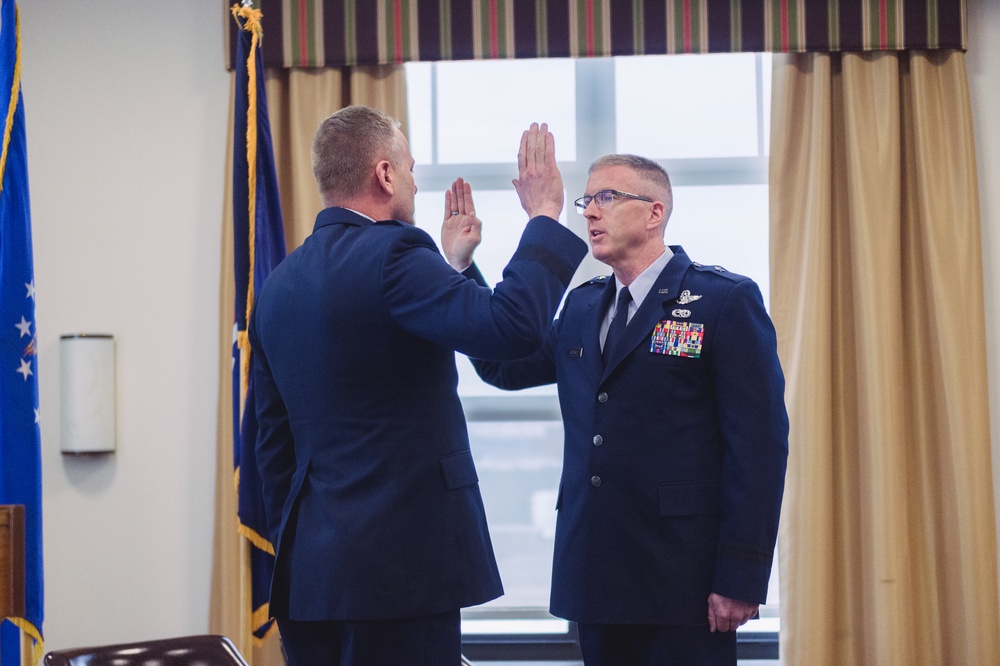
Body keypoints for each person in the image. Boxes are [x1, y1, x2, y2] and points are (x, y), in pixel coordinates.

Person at [248, 105, 586, 665]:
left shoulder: (281, 283)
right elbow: (513, 328)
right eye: (408, 167)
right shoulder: (399, 252)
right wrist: (545, 216)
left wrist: (452, 267)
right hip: (398, 572)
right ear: (384, 174)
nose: (413, 180)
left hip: (310, 576)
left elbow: (273, 448)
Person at [472, 154, 788, 665]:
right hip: (595, 574)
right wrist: (465, 269)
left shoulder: (722, 301)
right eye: (586, 201)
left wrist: (741, 577)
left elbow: (759, 449)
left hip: (683, 580)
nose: (590, 213)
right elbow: (501, 367)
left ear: (654, 213)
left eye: (607, 198)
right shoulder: (579, 307)